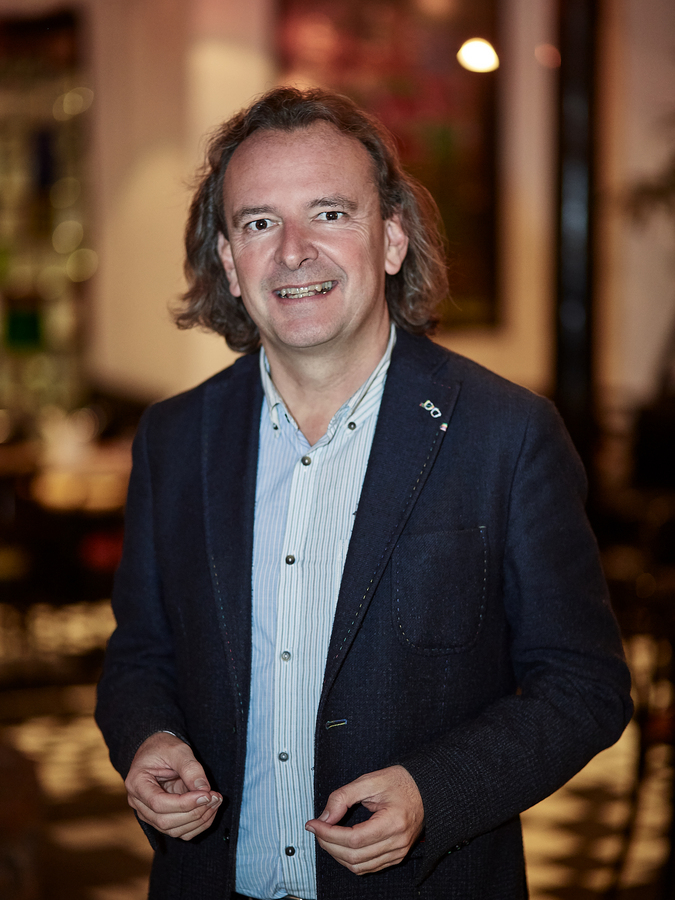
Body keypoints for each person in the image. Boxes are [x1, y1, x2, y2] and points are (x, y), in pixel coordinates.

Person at [95, 87, 633, 900]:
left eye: (329, 213)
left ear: (391, 238)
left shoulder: (505, 435)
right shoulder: (174, 439)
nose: (293, 251)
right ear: (229, 262)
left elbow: (583, 686)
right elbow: (141, 652)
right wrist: (148, 737)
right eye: (259, 222)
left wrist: (431, 792)